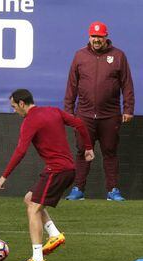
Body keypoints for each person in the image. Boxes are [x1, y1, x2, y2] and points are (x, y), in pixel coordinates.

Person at [0, 89, 94, 261]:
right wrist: (88, 147)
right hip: (67, 170)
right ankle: (55, 234)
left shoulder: (29, 121)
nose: (14, 111)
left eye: (14, 107)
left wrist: (4, 175)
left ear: (22, 104)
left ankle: (37, 259)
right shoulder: (53, 111)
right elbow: (79, 124)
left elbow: (21, 151)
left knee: (33, 209)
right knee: (29, 199)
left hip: (56, 171)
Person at [64, 21, 135, 201]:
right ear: (89, 37)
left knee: (110, 152)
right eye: (94, 36)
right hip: (84, 115)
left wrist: (128, 108)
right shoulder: (80, 56)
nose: (96, 40)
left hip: (110, 115)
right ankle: (78, 189)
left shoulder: (118, 56)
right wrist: (68, 111)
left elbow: (127, 84)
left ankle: (112, 190)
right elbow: (72, 85)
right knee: (82, 152)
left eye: (100, 37)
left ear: (106, 37)